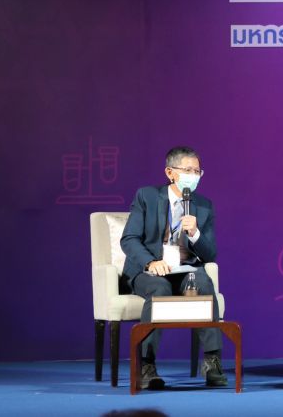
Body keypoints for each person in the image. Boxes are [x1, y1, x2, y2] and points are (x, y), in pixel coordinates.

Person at [120, 146, 227, 390]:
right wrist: (151, 262)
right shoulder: (147, 196)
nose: (194, 176)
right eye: (188, 170)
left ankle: (212, 361)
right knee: (160, 289)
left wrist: (195, 233)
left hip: (184, 271)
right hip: (149, 271)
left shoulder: (203, 206)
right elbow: (129, 239)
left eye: (197, 171)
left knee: (203, 282)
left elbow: (210, 254)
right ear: (170, 172)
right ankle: (146, 365)